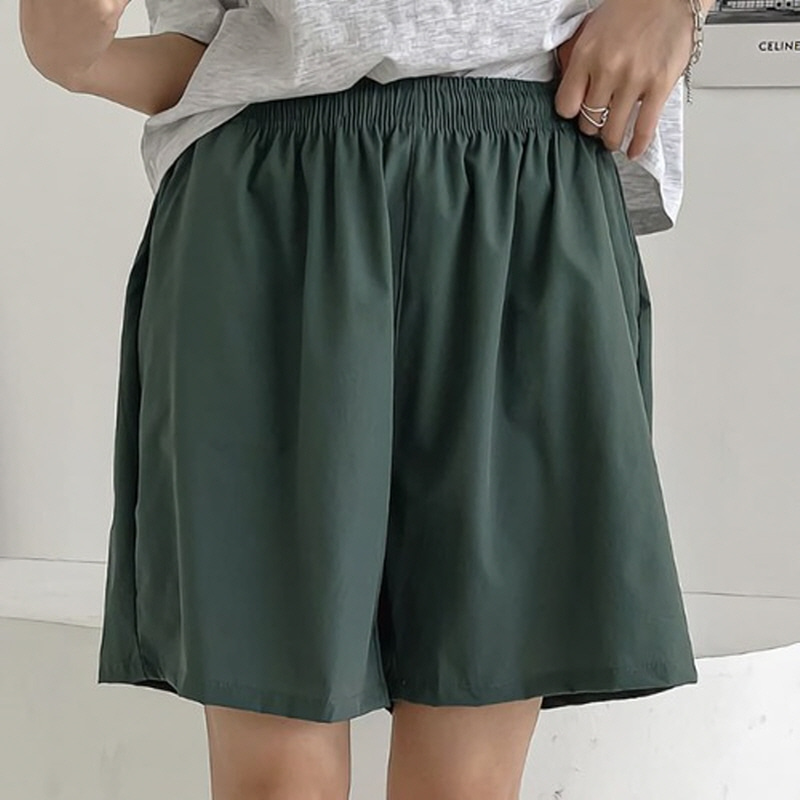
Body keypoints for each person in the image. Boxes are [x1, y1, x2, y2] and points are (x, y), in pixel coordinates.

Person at [20, 0, 708, 797]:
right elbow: (214, 52)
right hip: (271, 204)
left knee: (467, 782)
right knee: (277, 782)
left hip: (527, 185)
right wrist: (79, 60)